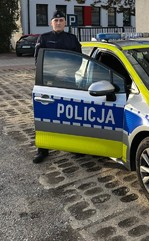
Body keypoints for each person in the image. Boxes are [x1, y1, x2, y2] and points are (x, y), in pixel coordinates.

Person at [33, 10, 82, 164]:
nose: (59, 22)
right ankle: (43, 149)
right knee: (45, 114)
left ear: (65, 23)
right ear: (51, 23)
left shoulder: (72, 39)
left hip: (68, 82)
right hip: (48, 82)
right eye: (56, 20)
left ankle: (73, 146)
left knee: (70, 114)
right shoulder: (44, 38)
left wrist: (66, 72)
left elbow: (78, 61)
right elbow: (38, 60)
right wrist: (54, 74)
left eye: (61, 20)